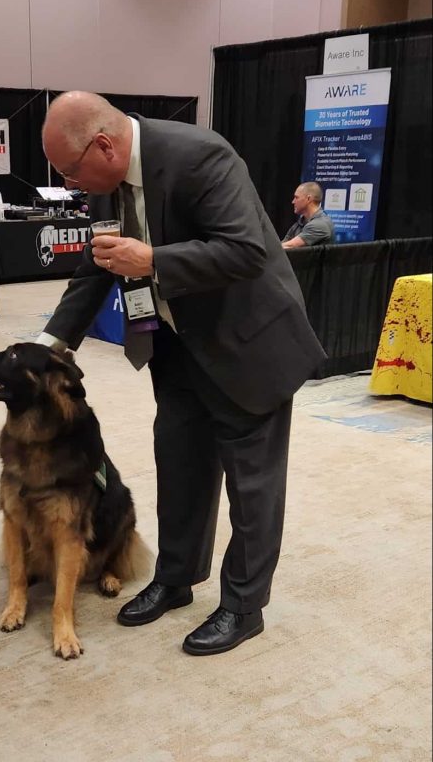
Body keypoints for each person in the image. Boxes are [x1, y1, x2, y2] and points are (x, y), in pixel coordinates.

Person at [36, 91, 326, 656]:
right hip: (177, 348)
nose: (71, 184)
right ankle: (176, 578)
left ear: (104, 145)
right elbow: (97, 266)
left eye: (72, 170)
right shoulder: (108, 183)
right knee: (181, 466)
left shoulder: (201, 156)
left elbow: (246, 250)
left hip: (247, 347)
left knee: (252, 486)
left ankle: (244, 607)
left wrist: (155, 261)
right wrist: (51, 344)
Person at [281, 181, 335, 248]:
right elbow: (283, 244)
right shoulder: (299, 223)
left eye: (296, 197)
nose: (293, 202)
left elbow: (289, 246)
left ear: (308, 199)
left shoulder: (320, 224)